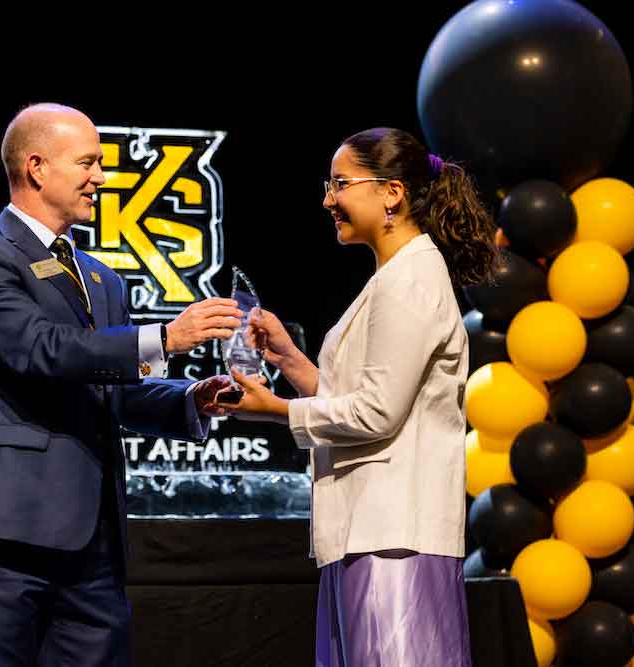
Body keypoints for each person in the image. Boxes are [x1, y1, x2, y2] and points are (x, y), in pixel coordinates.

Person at [0, 103, 240, 667]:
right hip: (2, 534)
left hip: (92, 546)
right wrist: (164, 338)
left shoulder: (103, 278)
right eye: (89, 163)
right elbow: (38, 350)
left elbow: (117, 392)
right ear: (37, 167)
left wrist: (190, 399)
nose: (101, 177)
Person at [220, 127, 498, 666]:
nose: (328, 199)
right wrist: (290, 361)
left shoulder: (410, 280)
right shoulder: (394, 277)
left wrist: (274, 411)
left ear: (391, 192)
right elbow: (365, 399)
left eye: (340, 183)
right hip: (368, 530)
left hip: (395, 538)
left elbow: (375, 413)